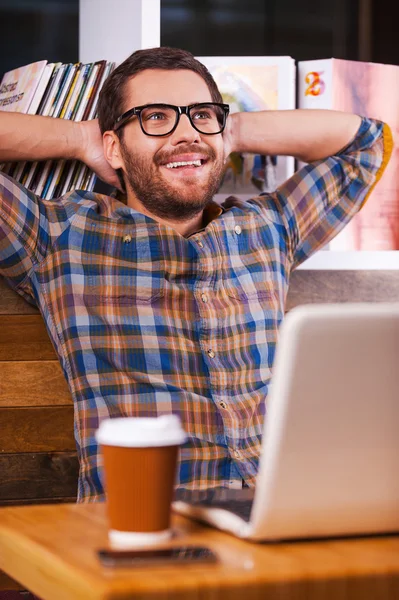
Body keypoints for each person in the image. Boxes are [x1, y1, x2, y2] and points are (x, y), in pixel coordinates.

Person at [0, 47, 393, 502]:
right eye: (156, 117)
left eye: (201, 114)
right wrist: (80, 139)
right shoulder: (58, 237)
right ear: (115, 146)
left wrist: (229, 131)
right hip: (148, 524)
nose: (186, 134)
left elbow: (367, 145)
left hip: (279, 515)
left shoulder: (268, 227)